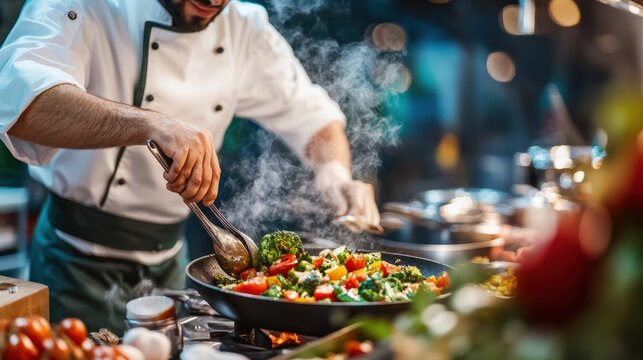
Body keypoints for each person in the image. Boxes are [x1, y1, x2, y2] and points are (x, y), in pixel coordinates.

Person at [0, 0, 380, 332]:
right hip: (74, 264)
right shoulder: (89, 4)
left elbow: (312, 117)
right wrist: (150, 123)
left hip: (173, 265)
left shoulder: (244, 26)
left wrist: (334, 173)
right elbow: (21, 101)